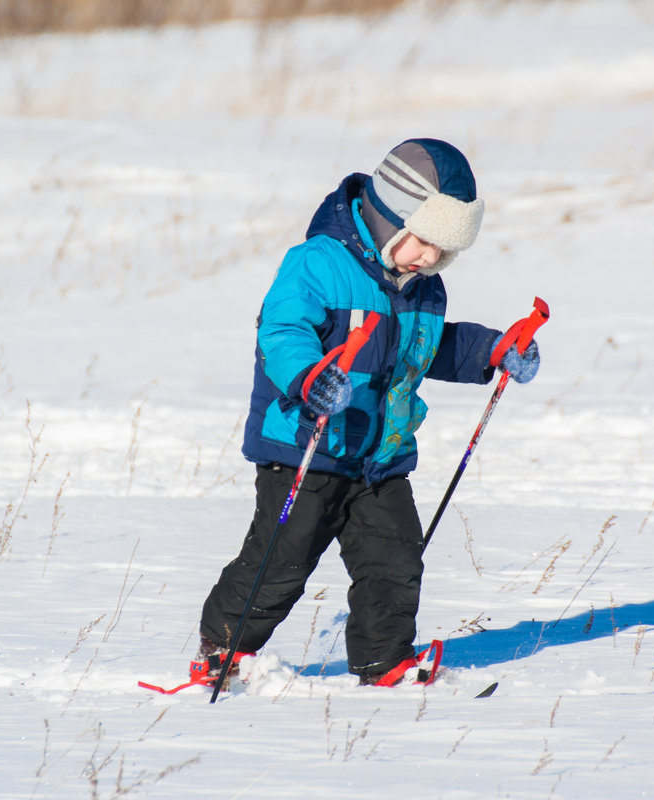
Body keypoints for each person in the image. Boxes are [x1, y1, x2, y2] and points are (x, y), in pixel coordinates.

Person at [197, 138, 540, 685]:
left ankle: (385, 660)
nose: (431, 258)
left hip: (380, 458)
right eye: (426, 241)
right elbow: (282, 332)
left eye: (445, 250)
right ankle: (223, 647)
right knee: (281, 563)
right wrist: (311, 379)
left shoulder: (424, 289)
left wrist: (494, 351)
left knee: (395, 563)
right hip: (307, 446)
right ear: (392, 216)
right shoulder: (318, 264)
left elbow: (429, 349)